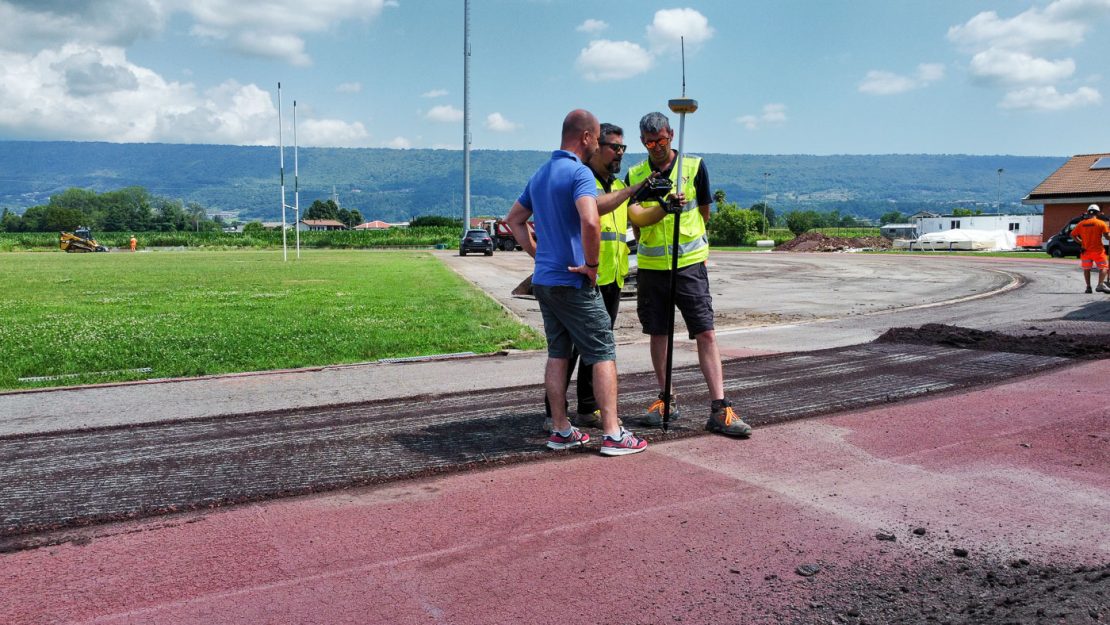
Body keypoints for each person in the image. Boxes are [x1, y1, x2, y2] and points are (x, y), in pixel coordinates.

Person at [506, 109, 647, 456]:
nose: (598, 144)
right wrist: (591, 265)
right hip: (573, 281)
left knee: (558, 353)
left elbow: (514, 220)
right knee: (602, 351)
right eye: (597, 138)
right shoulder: (579, 173)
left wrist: (538, 256)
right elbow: (591, 220)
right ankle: (614, 434)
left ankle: (560, 428)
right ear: (585, 138)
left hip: (545, 281)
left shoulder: (540, 174)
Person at [626, 111, 752, 437]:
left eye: (662, 140)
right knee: (658, 333)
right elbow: (635, 217)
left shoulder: (693, 167)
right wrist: (664, 208)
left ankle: (720, 408)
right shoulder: (637, 174)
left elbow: (705, 212)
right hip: (653, 268)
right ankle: (666, 398)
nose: (656, 146)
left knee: (705, 332)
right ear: (642, 141)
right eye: (649, 142)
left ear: (671, 134)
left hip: (689, 266)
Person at [540, 122, 652, 432]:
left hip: (613, 276)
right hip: (586, 275)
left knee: (593, 349)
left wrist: (663, 207)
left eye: (622, 148)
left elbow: (631, 221)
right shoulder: (581, 179)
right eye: (614, 147)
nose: (619, 153)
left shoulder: (616, 187)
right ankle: (557, 414)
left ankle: (587, 408)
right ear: (594, 145)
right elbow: (590, 219)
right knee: (576, 350)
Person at [1071, 204, 1110, 294]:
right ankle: (1100, 285)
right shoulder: (1101, 223)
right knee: (1104, 267)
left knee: (1087, 269)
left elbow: (1072, 235)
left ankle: (1088, 287)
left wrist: (1081, 242)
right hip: (1098, 251)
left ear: (1088, 212)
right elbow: (1107, 237)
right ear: (1098, 213)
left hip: (1085, 251)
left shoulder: (1081, 223)